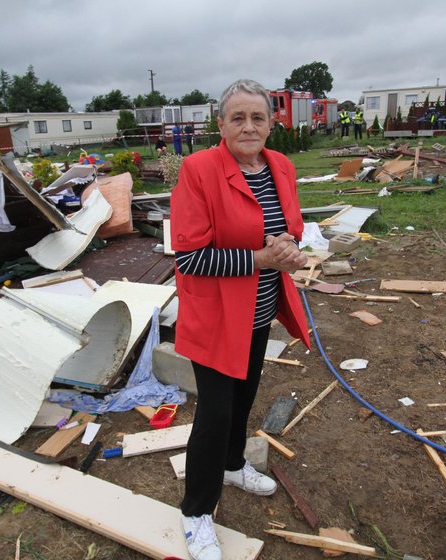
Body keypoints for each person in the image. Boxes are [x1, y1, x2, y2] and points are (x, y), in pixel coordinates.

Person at [170, 78, 310, 560]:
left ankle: (232, 464)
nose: (249, 126)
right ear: (221, 124)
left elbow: (289, 227)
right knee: (215, 412)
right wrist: (261, 260)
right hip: (217, 317)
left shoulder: (281, 166)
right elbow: (189, 258)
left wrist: (289, 248)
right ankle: (196, 512)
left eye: (258, 117)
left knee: (246, 393)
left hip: (261, 310)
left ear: (273, 123)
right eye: (238, 117)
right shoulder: (199, 169)